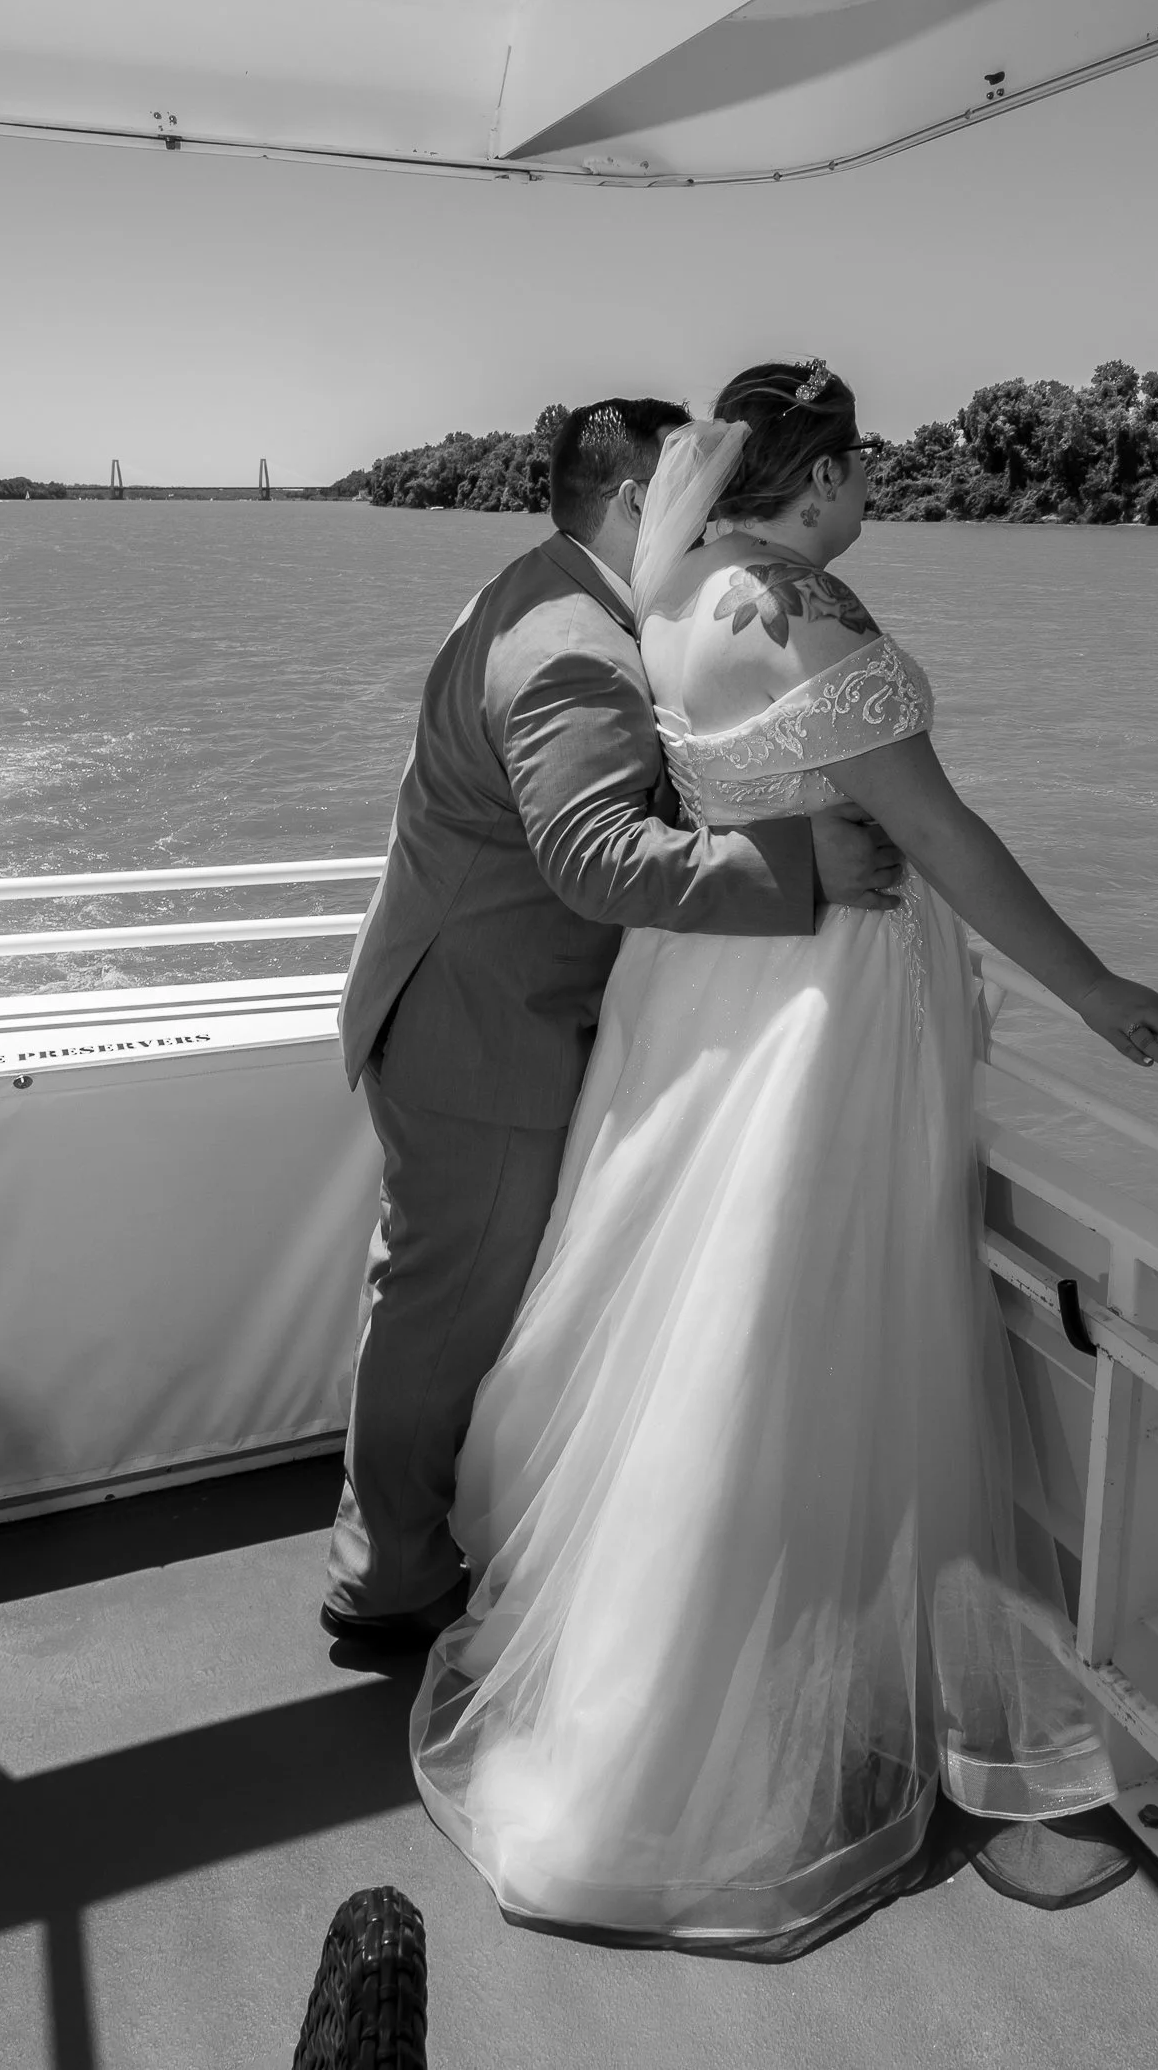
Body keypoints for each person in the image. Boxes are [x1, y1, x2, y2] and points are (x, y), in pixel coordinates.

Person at [411, 360, 1158, 1951]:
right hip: (827, 1016)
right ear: (823, 475)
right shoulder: (808, 612)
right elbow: (943, 838)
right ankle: (719, 1738)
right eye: (865, 471)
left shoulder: (672, 597)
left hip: (707, 995)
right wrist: (1095, 986)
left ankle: (687, 1677)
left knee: (707, 1323)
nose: (873, 498)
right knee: (794, 1331)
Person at [322, 397, 906, 1647]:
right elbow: (591, 856)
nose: (708, 511)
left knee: (425, 1289)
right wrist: (795, 865)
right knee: (442, 1307)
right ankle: (390, 1578)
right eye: (692, 482)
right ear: (640, 500)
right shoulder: (575, 647)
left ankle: (389, 1534)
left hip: (451, 997)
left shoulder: (537, 589)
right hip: (481, 1028)